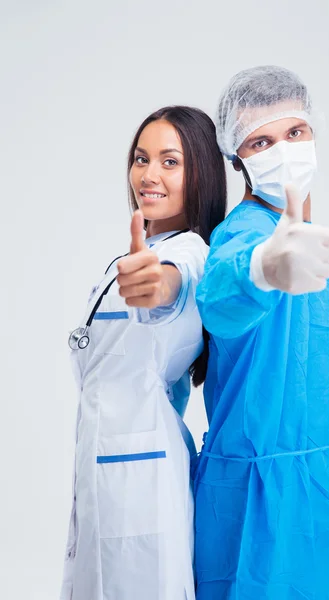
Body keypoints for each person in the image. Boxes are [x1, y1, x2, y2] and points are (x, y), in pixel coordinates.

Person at [194, 66, 329, 599]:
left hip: (326, 486)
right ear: (239, 159)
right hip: (255, 500)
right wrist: (263, 267)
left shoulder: (311, 243)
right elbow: (219, 298)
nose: (285, 150)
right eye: (262, 141)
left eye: (295, 133)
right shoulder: (246, 236)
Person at [60, 106, 227, 600]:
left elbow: (169, 286)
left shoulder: (189, 252)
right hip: (109, 464)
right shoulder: (132, 255)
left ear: (200, 172)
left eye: (170, 162)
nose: (148, 175)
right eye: (141, 158)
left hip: (143, 482)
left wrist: (157, 285)